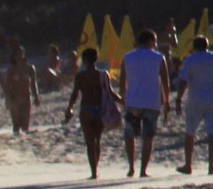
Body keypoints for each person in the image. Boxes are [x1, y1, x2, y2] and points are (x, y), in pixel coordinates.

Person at [119, 28, 169, 177]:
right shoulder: (159, 57)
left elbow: (122, 81)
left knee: (130, 135)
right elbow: (165, 82)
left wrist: (123, 98)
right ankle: (143, 170)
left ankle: (131, 167)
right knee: (148, 136)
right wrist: (166, 101)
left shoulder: (127, 57)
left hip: (132, 101)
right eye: (155, 41)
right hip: (152, 101)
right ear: (150, 41)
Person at [63, 47, 113, 179]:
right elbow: (110, 92)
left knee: (90, 143)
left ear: (84, 61)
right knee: (97, 141)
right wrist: (123, 101)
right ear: (96, 59)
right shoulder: (103, 74)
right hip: (100, 109)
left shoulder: (80, 76)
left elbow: (75, 94)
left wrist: (69, 108)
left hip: (86, 110)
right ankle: (96, 168)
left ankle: (94, 172)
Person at [175, 35, 213, 176]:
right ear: (207, 46)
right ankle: (211, 166)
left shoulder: (190, 59)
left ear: (194, 47)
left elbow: (183, 80)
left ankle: (188, 165)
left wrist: (178, 98)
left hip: (195, 98)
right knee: (212, 133)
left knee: (190, 132)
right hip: (212, 98)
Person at [4, 43, 37, 135]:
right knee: (16, 124)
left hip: (26, 97)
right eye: (17, 54)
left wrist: (36, 96)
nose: (19, 56)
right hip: (14, 98)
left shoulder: (30, 68)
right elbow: (7, 86)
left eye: (21, 53)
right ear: (14, 56)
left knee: (25, 125)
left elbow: (34, 84)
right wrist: (8, 99)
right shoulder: (11, 70)